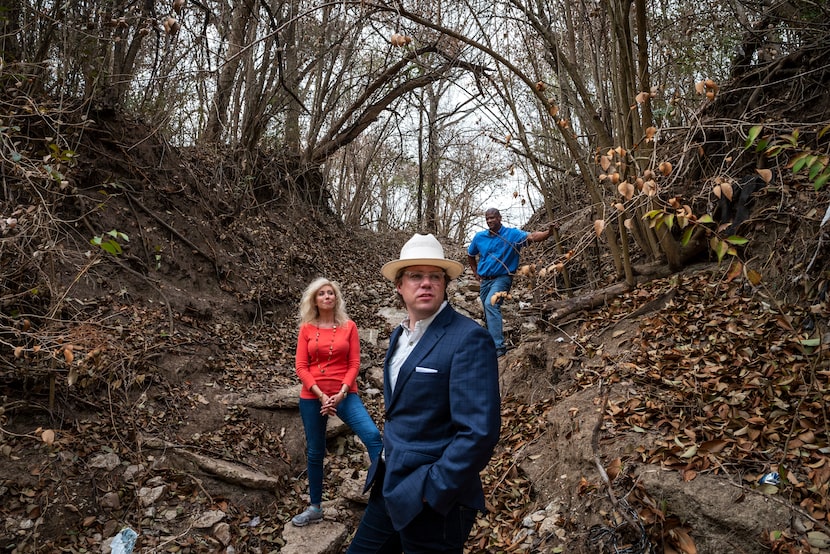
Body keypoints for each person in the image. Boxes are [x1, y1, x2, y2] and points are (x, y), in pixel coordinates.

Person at [347, 233, 501, 554]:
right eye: (416, 276)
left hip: (433, 498)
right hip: (389, 483)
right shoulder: (398, 336)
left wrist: (433, 489)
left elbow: (479, 433)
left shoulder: (468, 338)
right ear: (399, 286)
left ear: (445, 285)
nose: (426, 283)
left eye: (435, 276)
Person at [292, 277, 383, 527]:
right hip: (313, 397)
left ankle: (385, 499)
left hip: (345, 395)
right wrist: (321, 395)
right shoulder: (307, 329)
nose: (327, 297)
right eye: (321, 294)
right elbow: (301, 366)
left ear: (336, 297)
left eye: (330, 293)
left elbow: (354, 363)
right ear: (315, 300)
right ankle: (315, 508)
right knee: (315, 452)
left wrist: (342, 392)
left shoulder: (349, 326)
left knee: (373, 436)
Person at [467, 208, 556, 357]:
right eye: (487, 218)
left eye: (492, 218)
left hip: (502, 278)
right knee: (488, 309)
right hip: (485, 281)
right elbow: (470, 255)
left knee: (491, 304)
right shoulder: (479, 237)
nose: (489, 221)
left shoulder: (512, 234)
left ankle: (498, 349)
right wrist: (475, 273)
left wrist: (549, 233)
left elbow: (532, 236)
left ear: (499, 218)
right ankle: (491, 345)